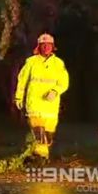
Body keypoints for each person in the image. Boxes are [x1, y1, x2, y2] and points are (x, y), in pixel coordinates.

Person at [15, 33, 69, 162]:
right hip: (34, 104)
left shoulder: (58, 63)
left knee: (48, 136)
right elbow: (22, 80)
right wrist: (18, 97)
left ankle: (37, 154)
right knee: (39, 132)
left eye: (48, 45)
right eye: (43, 45)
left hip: (51, 106)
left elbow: (64, 82)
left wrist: (55, 91)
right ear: (39, 46)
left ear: (52, 46)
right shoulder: (31, 62)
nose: (46, 47)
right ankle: (41, 158)